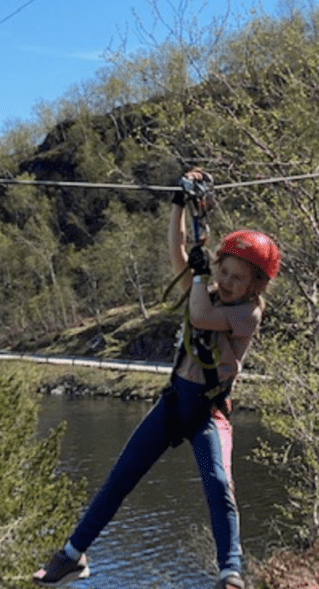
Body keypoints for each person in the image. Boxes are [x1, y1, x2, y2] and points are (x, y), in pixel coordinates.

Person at [33, 170, 280, 589]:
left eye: (239, 279)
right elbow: (177, 250)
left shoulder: (247, 313)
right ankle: (72, 554)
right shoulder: (208, 287)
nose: (228, 282)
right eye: (225, 272)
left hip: (207, 410)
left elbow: (202, 316)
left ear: (256, 285)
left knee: (219, 484)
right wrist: (178, 205)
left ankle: (231, 571)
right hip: (173, 403)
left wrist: (202, 275)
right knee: (120, 477)